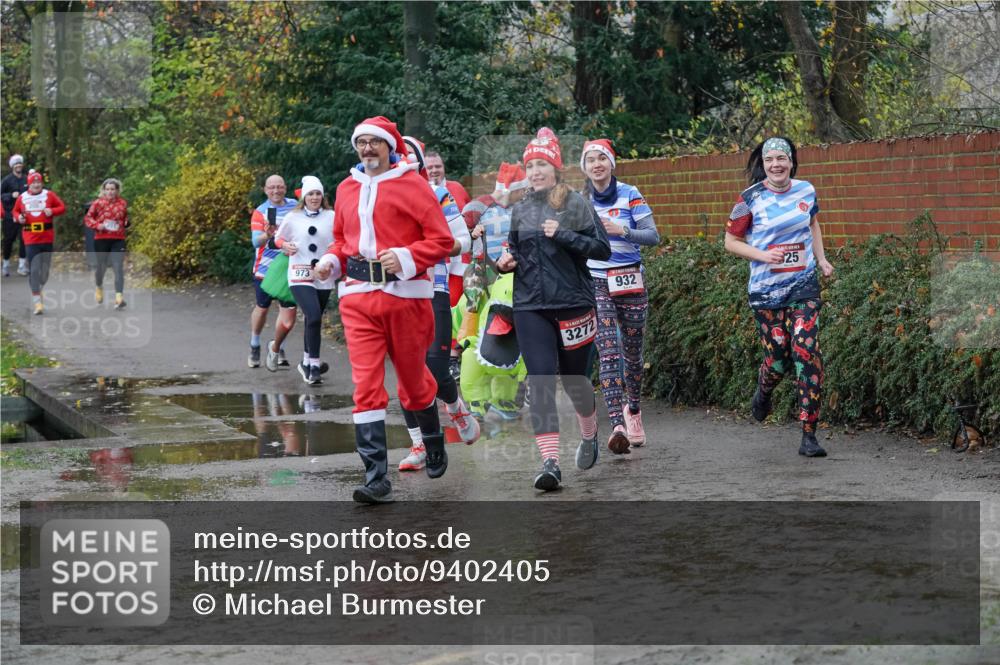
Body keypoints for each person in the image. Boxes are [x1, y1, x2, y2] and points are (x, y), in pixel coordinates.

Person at [314, 116, 454, 504]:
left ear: (390, 147)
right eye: (362, 143)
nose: (367, 149)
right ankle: (376, 477)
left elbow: (442, 240)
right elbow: (342, 240)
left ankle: (432, 437)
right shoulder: (345, 189)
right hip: (358, 299)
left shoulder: (413, 185)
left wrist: (408, 256)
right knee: (366, 387)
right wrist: (330, 261)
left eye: (375, 142)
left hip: (406, 297)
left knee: (413, 384)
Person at [495, 128, 611, 491]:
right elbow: (511, 249)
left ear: (556, 168)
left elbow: (601, 249)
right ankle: (550, 463)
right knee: (541, 382)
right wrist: (503, 263)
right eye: (530, 166)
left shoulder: (575, 203)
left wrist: (563, 234)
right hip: (531, 307)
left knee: (576, 382)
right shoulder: (521, 209)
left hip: (573, 304)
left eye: (542, 164)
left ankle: (589, 432)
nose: (535, 172)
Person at [724, 136, 834, 458]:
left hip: (803, 285)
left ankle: (809, 435)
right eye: (770, 159)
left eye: (781, 159)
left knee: (805, 350)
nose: (776, 165)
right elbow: (730, 241)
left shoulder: (806, 190)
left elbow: (813, 224)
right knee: (779, 360)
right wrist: (761, 255)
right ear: (763, 163)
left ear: (791, 161)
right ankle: (763, 390)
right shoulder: (748, 199)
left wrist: (822, 259)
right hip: (766, 291)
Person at [396, 136, 479, 472]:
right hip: (397, 294)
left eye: (404, 157)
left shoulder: (438, 195)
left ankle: (456, 407)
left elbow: (464, 239)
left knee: (436, 367)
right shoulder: (377, 198)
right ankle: (418, 443)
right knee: (406, 373)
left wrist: (432, 250)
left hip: (435, 290)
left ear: (416, 163)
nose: (398, 163)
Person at [581, 139, 660, 453]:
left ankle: (634, 410)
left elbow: (653, 236)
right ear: (584, 168)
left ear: (611, 163)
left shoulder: (630, 194)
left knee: (632, 354)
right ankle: (616, 424)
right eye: (591, 160)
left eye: (602, 159)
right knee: (608, 350)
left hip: (630, 278)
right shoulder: (579, 200)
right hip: (597, 280)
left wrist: (622, 231)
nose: (597, 165)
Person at [454, 162, 530, 436]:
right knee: (476, 338)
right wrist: (471, 237)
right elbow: (459, 238)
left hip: (518, 283)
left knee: (514, 341)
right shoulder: (478, 208)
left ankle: (508, 399)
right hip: (485, 282)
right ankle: (477, 402)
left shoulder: (532, 208)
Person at [272, 176, 335, 385]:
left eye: (318, 193)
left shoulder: (331, 217)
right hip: (299, 274)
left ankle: (307, 362)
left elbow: (340, 242)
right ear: (304, 197)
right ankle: (315, 366)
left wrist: (331, 263)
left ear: (322, 196)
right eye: (310, 194)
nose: (314, 197)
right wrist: (284, 246)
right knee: (314, 316)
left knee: (312, 319)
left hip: (323, 275)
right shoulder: (293, 217)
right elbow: (277, 239)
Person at [248, 175, 297, 369]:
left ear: (285, 188)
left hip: (288, 267)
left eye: (279, 187)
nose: (276, 191)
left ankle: (278, 346)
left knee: (286, 311)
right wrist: (266, 235)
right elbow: (255, 241)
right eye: (271, 188)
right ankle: (255, 344)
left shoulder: (295, 206)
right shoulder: (260, 212)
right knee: (263, 308)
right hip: (265, 269)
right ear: (265, 190)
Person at [12, 171, 66, 314]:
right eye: (33, 182)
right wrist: (19, 218)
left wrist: (52, 211)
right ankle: (37, 303)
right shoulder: (22, 198)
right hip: (30, 238)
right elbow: (15, 212)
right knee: (34, 269)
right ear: (29, 184)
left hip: (47, 237)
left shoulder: (49, 195)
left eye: (38, 182)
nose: (36, 184)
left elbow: (62, 207)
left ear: (41, 183)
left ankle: (38, 289)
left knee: (44, 272)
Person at [84, 178, 129, 309]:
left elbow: (125, 218)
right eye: (107, 189)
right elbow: (88, 218)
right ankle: (99, 286)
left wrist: (126, 223)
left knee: (118, 267)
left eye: (112, 189)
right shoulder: (98, 203)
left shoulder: (122, 203)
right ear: (103, 191)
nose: (110, 192)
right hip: (101, 239)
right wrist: (98, 225)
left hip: (118, 239)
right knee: (101, 268)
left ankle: (119, 298)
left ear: (117, 190)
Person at [1, 154, 29, 277]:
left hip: (24, 215)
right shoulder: (7, 180)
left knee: (24, 240)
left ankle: (22, 267)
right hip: (9, 215)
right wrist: (11, 195)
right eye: (16, 164)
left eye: (20, 164)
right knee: (8, 240)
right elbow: (1, 196)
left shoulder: (26, 179)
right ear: (13, 166)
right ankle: (5, 265)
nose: (18, 166)